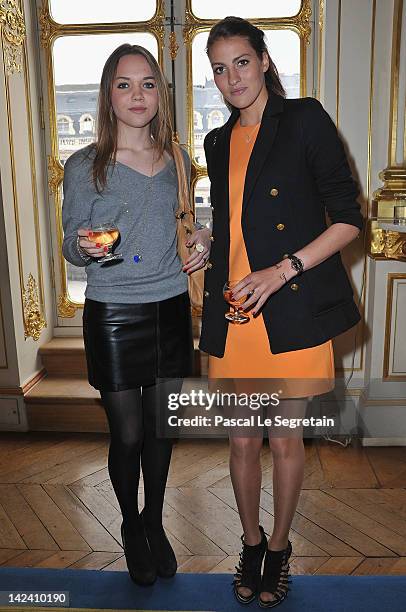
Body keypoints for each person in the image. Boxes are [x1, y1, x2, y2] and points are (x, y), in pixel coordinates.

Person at [199, 17, 363, 608]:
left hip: (289, 307)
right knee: (243, 440)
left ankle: (281, 548)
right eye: (219, 68)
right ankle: (249, 544)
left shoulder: (304, 120)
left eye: (241, 62)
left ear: (265, 61)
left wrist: (284, 269)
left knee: (286, 440)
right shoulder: (218, 141)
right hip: (238, 308)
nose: (231, 77)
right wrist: (207, 246)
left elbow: (348, 218)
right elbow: (236, 223)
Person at [62, 44, 211, 586]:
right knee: (127, 434)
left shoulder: (178, 158)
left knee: (161, 430)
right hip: (114, 314)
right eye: (124, 85)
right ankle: (130, 525)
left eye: (148, 84)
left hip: (171, 306)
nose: (137, 95)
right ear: (108, 94)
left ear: (160, 93)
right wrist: (83, 246)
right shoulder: (84, 165)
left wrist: (203, 238)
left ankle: (155, 520)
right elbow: (70, 246)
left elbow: (189, 221)